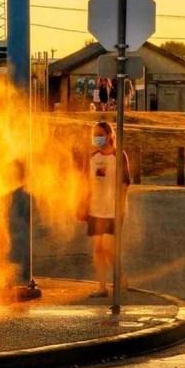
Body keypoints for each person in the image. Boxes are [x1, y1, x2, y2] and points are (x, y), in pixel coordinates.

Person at [77, 121, 130, 298]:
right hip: (95, 209)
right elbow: (85, 183)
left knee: (108, 248)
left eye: (99, 134)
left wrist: (120, 207)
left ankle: (120, 277)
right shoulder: (92, 158)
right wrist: (82, 206)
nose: (96, 138)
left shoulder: (119, 156)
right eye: (94, 135)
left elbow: (124, 183)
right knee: (98, 248)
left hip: (113, 210)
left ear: (109, 136)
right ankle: (101, 286)